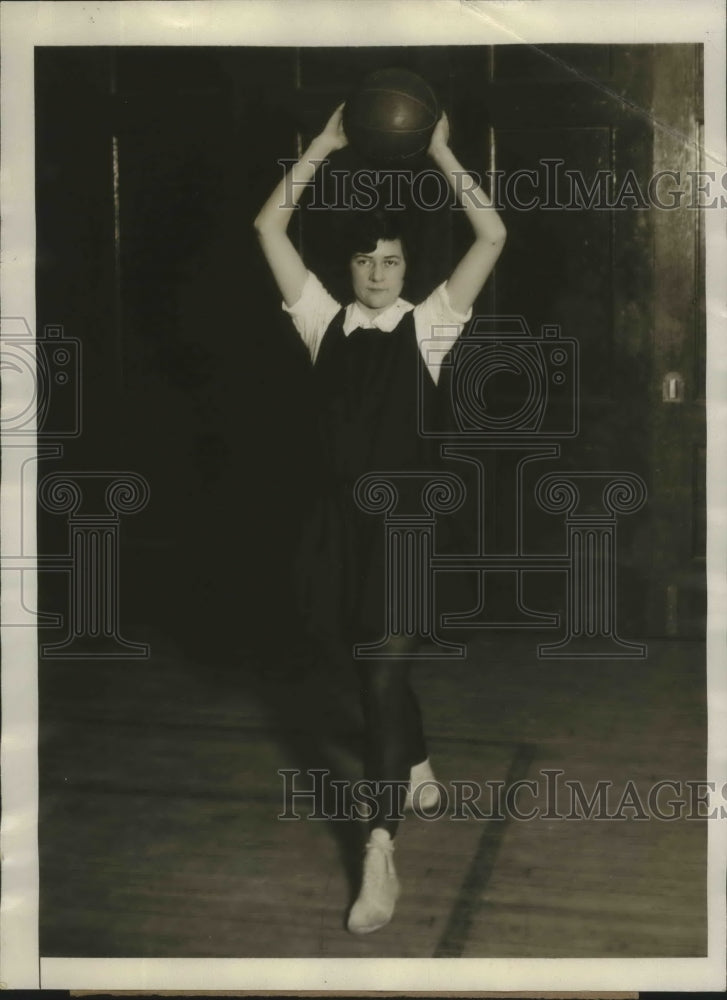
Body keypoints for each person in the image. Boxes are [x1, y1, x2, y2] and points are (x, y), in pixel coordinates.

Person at [254, 102, 506, 934]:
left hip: (403, 532)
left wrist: (440, 152)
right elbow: (268, 227)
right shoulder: (323, 322)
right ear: (351, 267)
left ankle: (378, 848)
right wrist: (322, 146)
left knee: (377, 679)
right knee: (362, 668)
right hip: (336, 531)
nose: (375, 271)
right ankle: (419, 764)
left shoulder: (428, 325)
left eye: (389, 259)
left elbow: (492, 237)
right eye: (364, 259)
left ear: (405, 267)